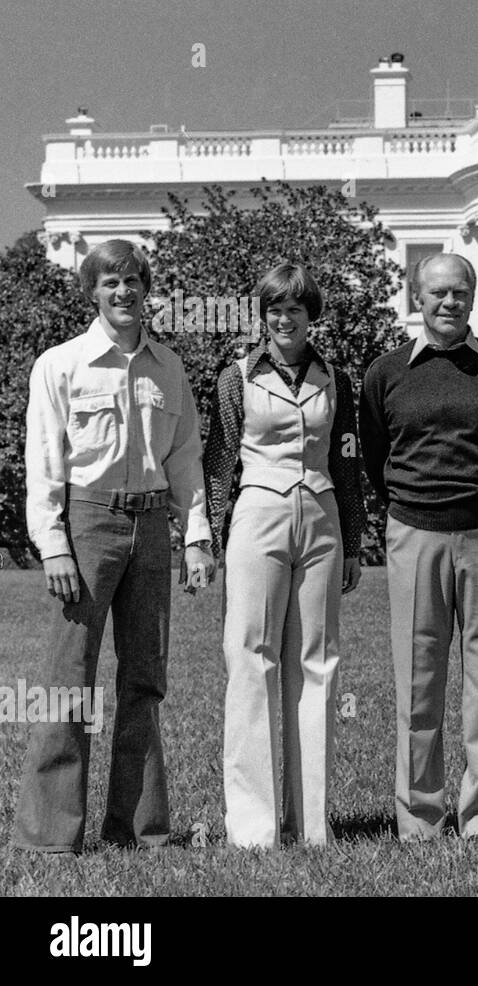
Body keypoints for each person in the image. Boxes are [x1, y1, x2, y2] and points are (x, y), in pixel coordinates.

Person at [15, 239, 215, 854]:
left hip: (153, 527)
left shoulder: (168, 367)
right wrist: (53, 546)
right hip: (87, 523)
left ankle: (139, 830)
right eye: (109, 284)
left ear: (145, 288)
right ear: (92, 293)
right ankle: (51, 835)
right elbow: (45, 459)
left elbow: (184, 458)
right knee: (67, 678)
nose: (123, 292)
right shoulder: (61, 364)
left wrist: (199, 537)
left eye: (132, 281)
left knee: (145, 680)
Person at [359, 253, 478, 840]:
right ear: (418, 297)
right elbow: (373, 452)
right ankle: (419, 815)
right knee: (418, 679)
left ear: (472, 296)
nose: (448, 302)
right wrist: (415, 503)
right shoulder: (385, 373)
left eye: (459, 292)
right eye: (437, 292)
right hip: (415, 534)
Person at [203, 263, 364, 848]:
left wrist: (354, 534)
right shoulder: (235, 377)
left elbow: (346, 461)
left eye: (295, 308)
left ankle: (312, 824)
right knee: (251, 657)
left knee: (317, 663)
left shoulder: (335, 377)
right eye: (274, 308)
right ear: (262, 314)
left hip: (321, 516)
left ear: (310, 313)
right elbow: (219, 461)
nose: (284, 317)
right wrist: (208, 537)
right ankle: (253, 827)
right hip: (258, 516)